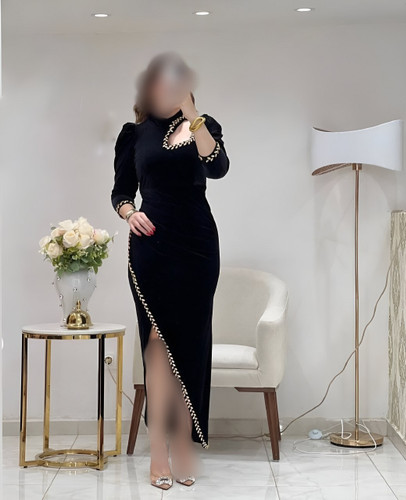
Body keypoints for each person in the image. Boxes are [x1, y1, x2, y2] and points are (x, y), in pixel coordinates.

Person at [110, 51, 230, 490]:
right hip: (152, 248)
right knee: (157, 347)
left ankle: (183, 446)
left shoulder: (204, 126)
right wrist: (129, 213)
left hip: (198, 248)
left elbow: (218, 168)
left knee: (192, 347)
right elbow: (121, 191)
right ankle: (158, 451)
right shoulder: (134, 134)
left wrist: (193, 115)